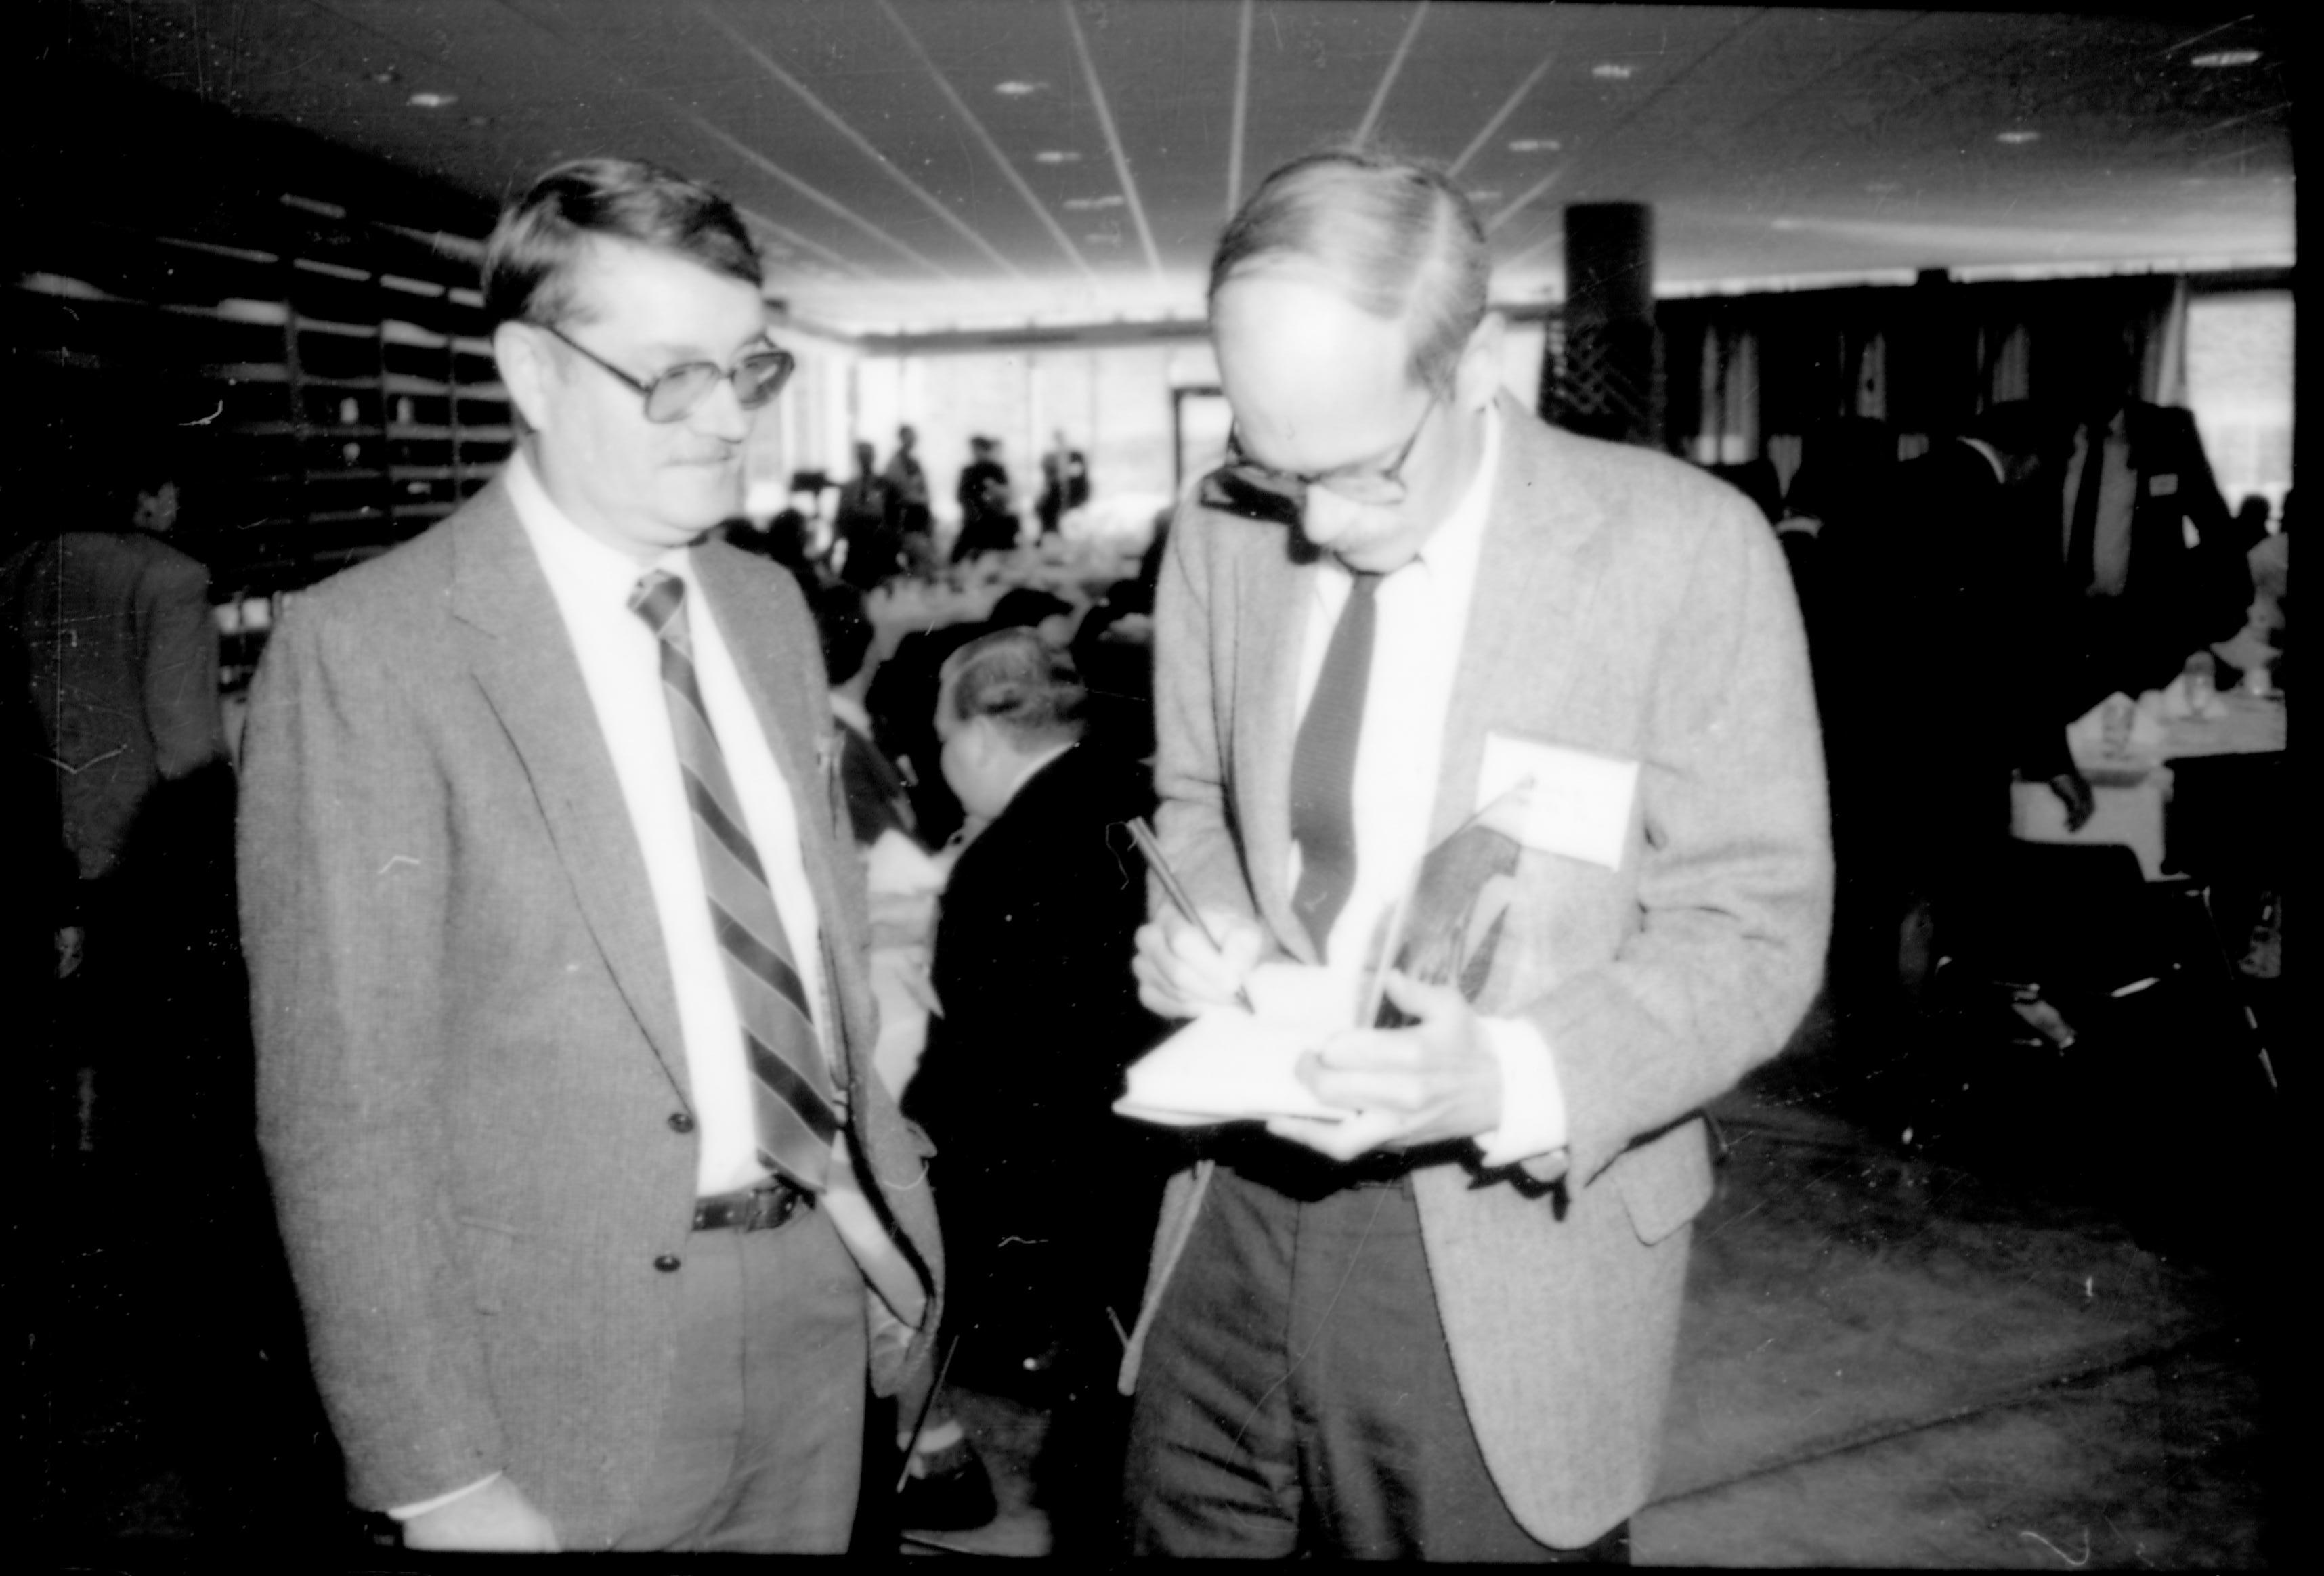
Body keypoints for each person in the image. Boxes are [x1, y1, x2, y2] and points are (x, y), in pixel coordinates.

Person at [1122, 150, 1830, 1560]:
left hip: (1506, 1236)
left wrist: (1509, 1074)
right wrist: (1210, 935)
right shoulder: (1222, 527)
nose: (1313, 525)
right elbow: (1194, 800)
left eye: (1361, 469)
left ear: (1478, 361)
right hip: (1232, 1211)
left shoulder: (1681, 550)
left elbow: (1753, 922)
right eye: (1275, 463)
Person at [237, 157, 941, 1555]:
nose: (727, 419)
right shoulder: (370, 650)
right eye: (671, 375)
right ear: (534, 371)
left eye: (749, 368)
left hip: (822, 1292)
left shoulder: (765, 607)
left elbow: (808, 928)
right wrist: (430, 1472)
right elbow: (342, 1117)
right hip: (559, 1364)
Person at [902, 626, 1172, 1549]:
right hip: (1152, 1159)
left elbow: (981, 1069)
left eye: (942, 741)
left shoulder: (1004, 860)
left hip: (1060, 1185)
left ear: (976, 739)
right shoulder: (1139, 792)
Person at [2040, 313, 2245, 716]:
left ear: (2124, 377)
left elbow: (2217, 528)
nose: (2090, 386)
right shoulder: (2049, 438)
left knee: (2142, 741)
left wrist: (2191, 594)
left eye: (2103, 373)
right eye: (2079, 375)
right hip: (2063, 627)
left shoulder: (2166, 433)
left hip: (2143, 628)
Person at [834, 439, 896, 590]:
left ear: (874, 457)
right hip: (857, 542)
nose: (865, 460)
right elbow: (841, 517)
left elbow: (892, 515)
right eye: (862, 456)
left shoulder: (885, 484)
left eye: (868, 455)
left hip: (879, 541)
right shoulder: (850, 487)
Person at [950, 435, 1020, 562]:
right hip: (974, 519)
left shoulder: (996, 470)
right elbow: (961, 496)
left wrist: (993, 493)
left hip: (996, 516)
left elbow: (1007, 494)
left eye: (978, 449)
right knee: (959, 556)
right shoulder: (968, 471)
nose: (975, 453)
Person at [882, 424, 934, 575]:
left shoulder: (915, 463)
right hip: (906, 521)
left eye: (914, 437)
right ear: (902, 438)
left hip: (920, 519)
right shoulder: (895, 464)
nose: (913, 440)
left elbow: (924, 489)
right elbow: (903, 493)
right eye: (909, 437)